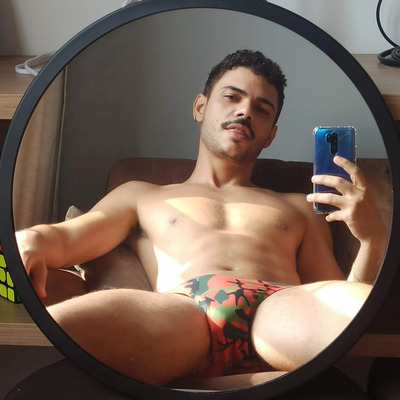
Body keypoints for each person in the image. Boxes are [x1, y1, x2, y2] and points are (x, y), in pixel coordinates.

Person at [16, 50, 387, 386]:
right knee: (62, 324)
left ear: (270, 135)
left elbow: (335, 298)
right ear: (200, 107)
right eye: (232, 97)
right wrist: (32, 238)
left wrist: (372, 238)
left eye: (262, 109)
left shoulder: (301, 206)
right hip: (182, 315)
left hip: (279, 312)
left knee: (356, 306)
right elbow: (66, 239)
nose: (245, 112)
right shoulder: (141, 195)